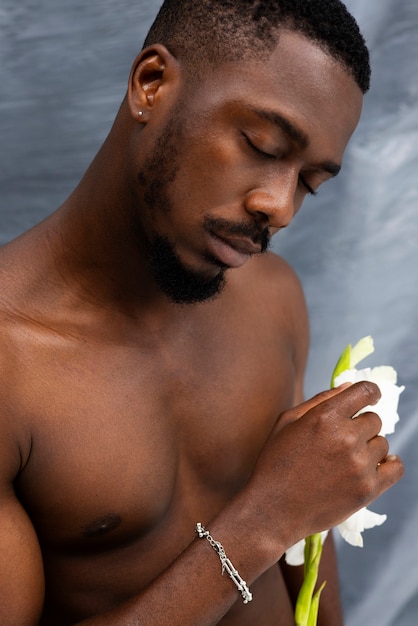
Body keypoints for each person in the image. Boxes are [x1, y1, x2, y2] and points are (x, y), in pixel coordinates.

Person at [0, 0, 404, 624]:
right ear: (151, 85)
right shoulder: (11, 364)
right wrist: (264, 521)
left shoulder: (274, 296)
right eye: (261, 144)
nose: (280, 206)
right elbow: (286, 513)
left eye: (310, 182)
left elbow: (310, 543)